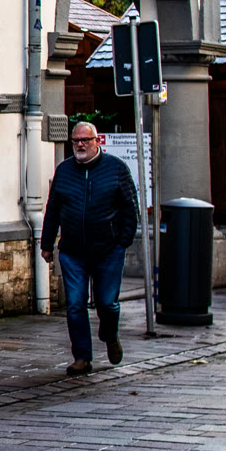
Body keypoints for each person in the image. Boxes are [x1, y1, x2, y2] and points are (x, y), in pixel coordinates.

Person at [40, 121, 140, 376]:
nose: (80, 144)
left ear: (97, 141)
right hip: (73, 251)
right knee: (75, 305)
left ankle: (110, 335)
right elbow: (53, 209)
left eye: (85, 140)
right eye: (76, 141)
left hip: (108, 250)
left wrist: (123, 241)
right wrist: (47, 243)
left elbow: (131, 207)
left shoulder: (116, 168)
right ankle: (82, 357)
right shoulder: (64, 171)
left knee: (107, 303)